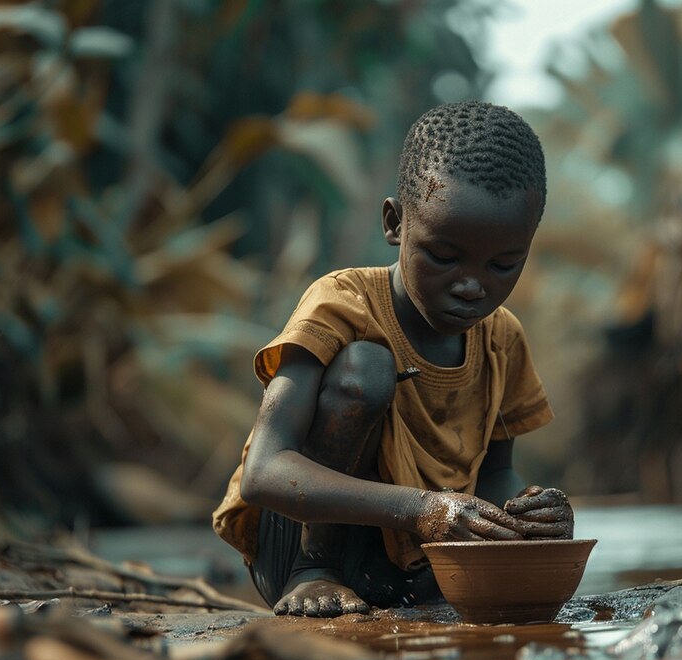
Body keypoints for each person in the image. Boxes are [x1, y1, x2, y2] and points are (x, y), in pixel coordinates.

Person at [212, 100, 574, 617]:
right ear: (395, 223)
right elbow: (265, 472)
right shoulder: (342, 304)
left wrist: (537, 514)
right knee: (367, 369)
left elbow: (497, 477)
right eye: (444, 257)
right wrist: (423, 509)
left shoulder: (502, 339)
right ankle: (316, 571)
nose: (472, 285)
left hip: (413, 567)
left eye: (503, 264)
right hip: (293, 552)